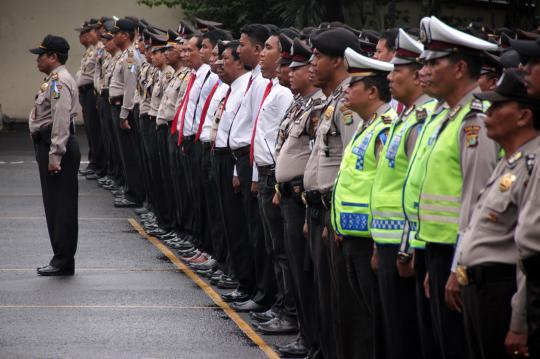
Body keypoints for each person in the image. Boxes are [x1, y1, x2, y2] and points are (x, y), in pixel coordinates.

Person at [416, 16, 499, 359]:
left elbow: (479, 200)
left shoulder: (475, 121)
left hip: (462, 255)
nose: (425, 70)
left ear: (460, 67)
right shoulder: (448, 116)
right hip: (440, 249)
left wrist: (456, 269)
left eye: (434, 63)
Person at [455, 68, 536, 359]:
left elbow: (531, 254)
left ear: (524, 116)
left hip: (502, 292)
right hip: (477, 289)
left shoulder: (531, 164)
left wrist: (519, 320)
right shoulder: (509, 160)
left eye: (498, 107)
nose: (487, 113)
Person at [369, 28, 434, 359]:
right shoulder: (401, 117)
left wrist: (406, 251)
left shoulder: (422, 120)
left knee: (405, 334)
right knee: (390, 329)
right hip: (387, 239)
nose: (390, 76)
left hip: (404, 245)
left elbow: (417, 191)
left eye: (398, 70)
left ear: (418, 77)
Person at [303, 27, 364, 359]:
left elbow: (351, 165)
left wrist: (334, 217)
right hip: (317, 207)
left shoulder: (348, 103)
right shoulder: (333, 101)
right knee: (324, 293)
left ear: (340, 61)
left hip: (332, 210)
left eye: (319, 56)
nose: (311, 62)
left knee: (342, 301)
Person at [273, 37, 326, 358]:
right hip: (288, 195)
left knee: (305, 272)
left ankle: (312, 337)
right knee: (295, 266)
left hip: (303, 198)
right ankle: (306, 334)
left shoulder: (321, 107)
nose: (290, 73)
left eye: (298, 67)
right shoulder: (301, 103)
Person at [249, 29, 296, 334]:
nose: (262, 53)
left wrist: (274, 183)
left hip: (275, 179)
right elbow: (262, 136)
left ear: (283, 55)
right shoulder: (270, 89)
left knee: (282, 251)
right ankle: (281, 304)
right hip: (264, 175)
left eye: (268, 48)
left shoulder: (284, 95)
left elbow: (283, 146)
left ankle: (289, 310)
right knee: (273, 247)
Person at [29, 35, 81, 276]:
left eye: (41, 55)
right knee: (55, 205)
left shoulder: (58, 82)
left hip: (57, 147)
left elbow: (61, 120)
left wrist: (55, 155)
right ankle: (60, 256)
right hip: (50, 144)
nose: (37, 60)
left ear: (53, 57)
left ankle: (63, 259)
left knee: (61, 207)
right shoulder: (53, 80)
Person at [109, 18, 145, 208]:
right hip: (119, 106)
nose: (113, 36)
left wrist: (124, 114)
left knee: (130, 154)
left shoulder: (130, 56)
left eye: (116, 33)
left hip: (125, 109)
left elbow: (130, 87)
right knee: (125, 153)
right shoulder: (125, 55)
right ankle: (131, 190)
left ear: (125, 35)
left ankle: (134, 194)